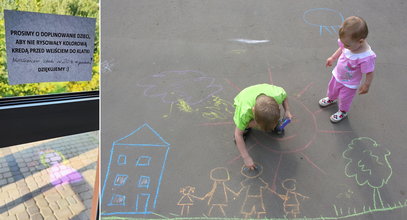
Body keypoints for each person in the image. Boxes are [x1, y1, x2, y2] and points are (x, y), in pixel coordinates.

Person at [319, 16, 376, 123]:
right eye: (343, 42)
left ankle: (343, 111)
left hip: (350, 83)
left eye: (347, 45)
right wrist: (333, 57)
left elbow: (369, 72)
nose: (344, 46)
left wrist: (366, 85)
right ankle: (331, 98)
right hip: (338, 75)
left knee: (345, 98)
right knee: (332, 89)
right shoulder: (349, 43)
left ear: (360, 41)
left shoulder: (366, 57)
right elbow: (341, 48)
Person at [233, 84, 292, 169]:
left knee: (266, 120)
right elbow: (238, 134)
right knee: (243, 126)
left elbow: (284, 96)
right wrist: (246, 157)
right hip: (244, 97)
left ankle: (268, 122)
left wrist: (287, 110)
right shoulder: (244, 113)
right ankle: (247, 127)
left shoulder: (277, 95)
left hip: (263, 94)